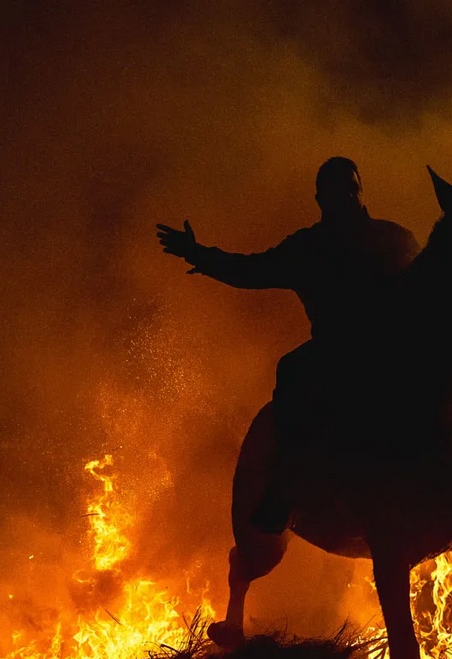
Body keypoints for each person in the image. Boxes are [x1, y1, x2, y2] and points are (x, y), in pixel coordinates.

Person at [157, 157, 421, 533]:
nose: (345, 193)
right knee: (293, 370)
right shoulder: (310, 247)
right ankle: (286, 487)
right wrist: (197, 254)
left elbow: (429, 290)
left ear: (361, 189)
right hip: (337, 356)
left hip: (396, 352)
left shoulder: (394, 238)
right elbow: (250, 270)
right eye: (336, 188)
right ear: (320, 198)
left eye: (350, 185)